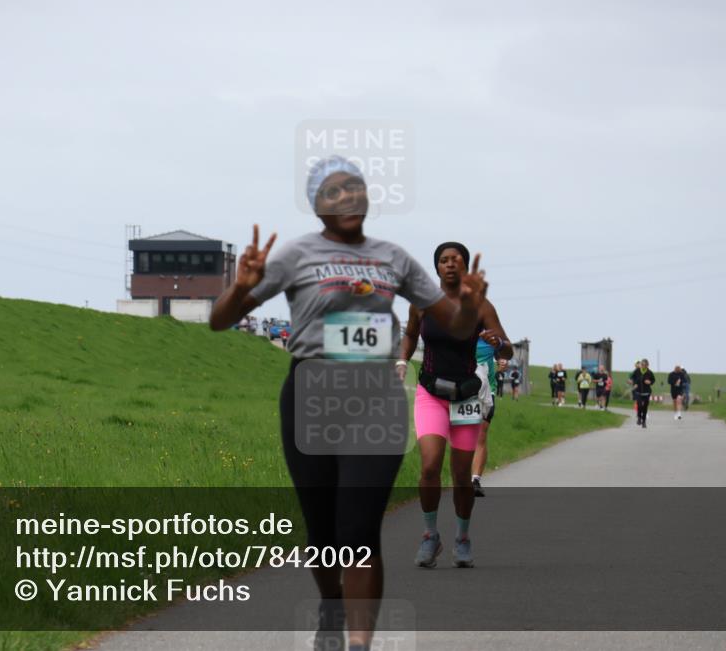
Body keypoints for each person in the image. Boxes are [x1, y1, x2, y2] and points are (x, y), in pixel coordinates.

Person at [209, 155, 487, 651]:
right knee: (322, 532)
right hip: (310, 395)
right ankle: (331, 608)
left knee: (359, 529)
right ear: (317, 204)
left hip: (374, 398)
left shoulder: (394, 258)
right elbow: (220, 320)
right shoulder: (295, 256)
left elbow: (459, 325)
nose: (347, 199)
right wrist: (241, 287)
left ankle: (359, 644)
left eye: (355, 190)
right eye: (334, 192)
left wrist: (467, 305)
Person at [400, 242, 512, 570]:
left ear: (464, 268)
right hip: (431, 392)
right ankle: (430, 535)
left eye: (457, 260)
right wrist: (402, 360)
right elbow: (409, 335)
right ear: (436, 268)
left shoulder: (479, 306)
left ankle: (462, 538)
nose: (450, 265)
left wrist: (499, 344)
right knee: (430, 465)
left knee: (462, 475)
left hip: (466, 397)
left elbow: (507, 352)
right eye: (444, 260)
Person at [472, 353, 506, 497]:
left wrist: (502, 360)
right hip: (463, 385)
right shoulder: (458, 332)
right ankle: (461, 477)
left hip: (487, 390)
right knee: (463, 433)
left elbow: (503, 351)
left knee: (481, 434)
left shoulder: (489, 332)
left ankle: (475, 481)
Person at [630, 358, 656, 428]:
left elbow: (653, 380)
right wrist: (634, 383)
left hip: (646, 392)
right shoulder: (637, 371)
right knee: (639, 405)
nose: (643, 366)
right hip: (638, 391)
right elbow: (633, 378)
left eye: (645, 365)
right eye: (642, 364)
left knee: (645, 407)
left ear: (647, 365)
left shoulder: (649, 372)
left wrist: (650, 382)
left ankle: (644, 422)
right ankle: (639, 418)